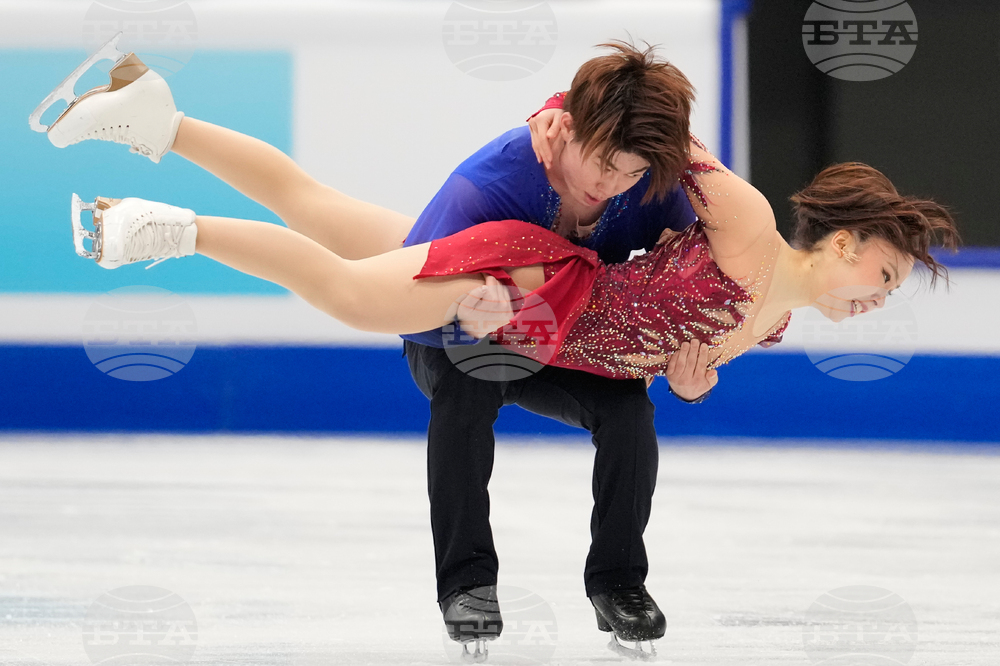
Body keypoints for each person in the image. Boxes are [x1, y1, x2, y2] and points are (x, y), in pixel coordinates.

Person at [33, 36, 958, 659]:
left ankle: (155, 120)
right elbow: (677, 143)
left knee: (327, 217)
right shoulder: (746, 226)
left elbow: (680, 361)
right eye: (880, 278)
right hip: (529, 281)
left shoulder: (777, 317)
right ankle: (171, 229)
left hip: (557, 325)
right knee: (353, 288)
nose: (878, 301)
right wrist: (571, 104)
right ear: (843, 244)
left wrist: (690, 380)